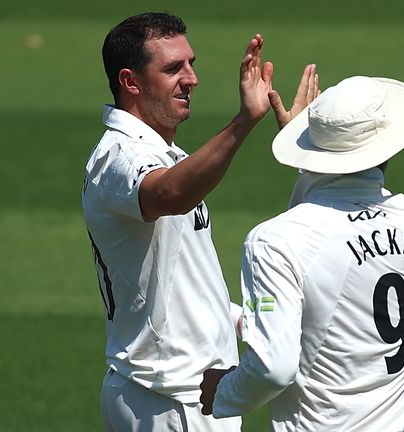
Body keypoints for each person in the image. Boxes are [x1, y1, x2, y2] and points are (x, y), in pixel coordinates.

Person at [81, 12, 319, 432]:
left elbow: (184, 283)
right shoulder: (119, 157)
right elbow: (170, 194)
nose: (191, 79)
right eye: (173, 68)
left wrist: (246, 321)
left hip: (187, 394)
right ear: (131, 81)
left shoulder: (163, 154)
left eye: (191, 64)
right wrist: (244, 122)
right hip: (166, 400)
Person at [200, 76, 404, 431]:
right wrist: (313, 163)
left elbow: (274, 368)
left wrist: (224, 391)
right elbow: (328, 237)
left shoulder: (274, 242)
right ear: (387, 146)